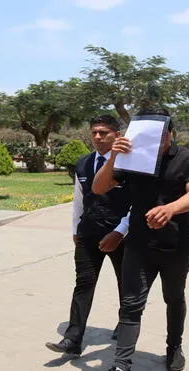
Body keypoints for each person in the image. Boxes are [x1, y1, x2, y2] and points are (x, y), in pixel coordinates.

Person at [93, 108, 189, 371]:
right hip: (139, 245)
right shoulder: (132, 157)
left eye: (160, 134)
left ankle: (174, 347)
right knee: (131, 303)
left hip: (175, 245)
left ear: (170, 133)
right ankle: (121, 362)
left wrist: (171, 209)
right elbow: (98, 188)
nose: (155, 140)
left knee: (174, 298)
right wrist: (113, 157)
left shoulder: (188, 158)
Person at [45, 115, 130, 356]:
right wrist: (75, 231)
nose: (98, 137)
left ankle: (125, 325)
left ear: (117, 135)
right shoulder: (83, 162)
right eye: (94, 132)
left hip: (121, 235)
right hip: (88, 234)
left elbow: (138, 203)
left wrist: (120, 230)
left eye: (104, 132)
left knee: (126, 284)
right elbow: (78, 200)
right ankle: (72, 339)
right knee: (83, 285)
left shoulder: (130, 164)